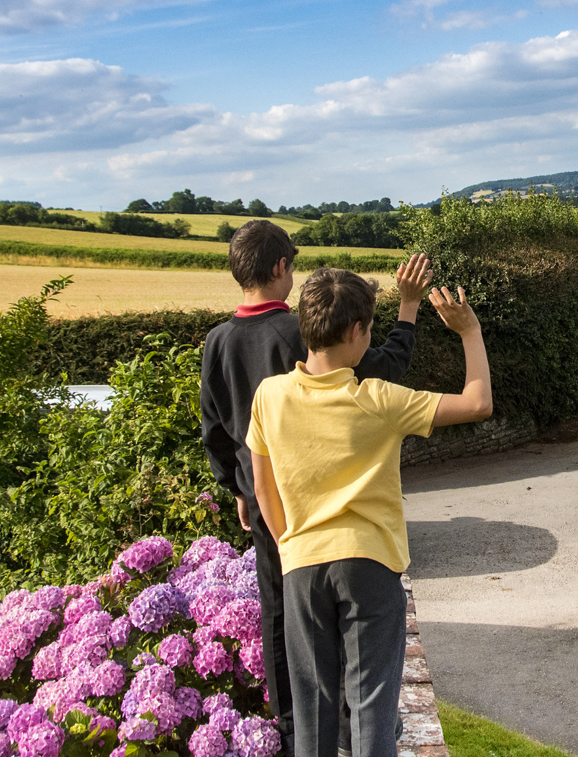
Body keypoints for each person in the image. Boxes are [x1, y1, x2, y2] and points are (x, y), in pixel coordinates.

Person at [198, 220, 434, 756]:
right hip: (315, 504)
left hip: (266, 504)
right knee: (343, 622)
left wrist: (238, 489)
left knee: (281, 616)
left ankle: (293, 728)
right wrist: (407, 312)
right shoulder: (300, 333)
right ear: (281, 267)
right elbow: (384, 370)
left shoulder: (217, 341)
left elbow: (214, 428)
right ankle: (354, 726)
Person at [248, 270, 493, 757]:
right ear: (357, 331)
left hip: (301, 566)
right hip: (369, 568)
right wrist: (470, 331)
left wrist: (289, 546)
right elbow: (478, 403)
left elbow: (262, 487)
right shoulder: (379, 400)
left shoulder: (269, 396)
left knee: (313, 716)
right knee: (371, 714)